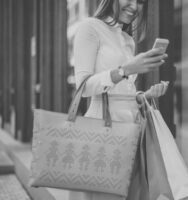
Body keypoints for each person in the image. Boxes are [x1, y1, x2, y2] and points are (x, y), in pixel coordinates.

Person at [70, 0, 169, 199]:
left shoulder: (127, 39)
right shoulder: (90, 28)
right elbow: (84, 87)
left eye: (140, 2)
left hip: (133, 128)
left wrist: (143, 96)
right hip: (103, 128)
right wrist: (125, 70)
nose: (134, 6)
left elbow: (122, 92)